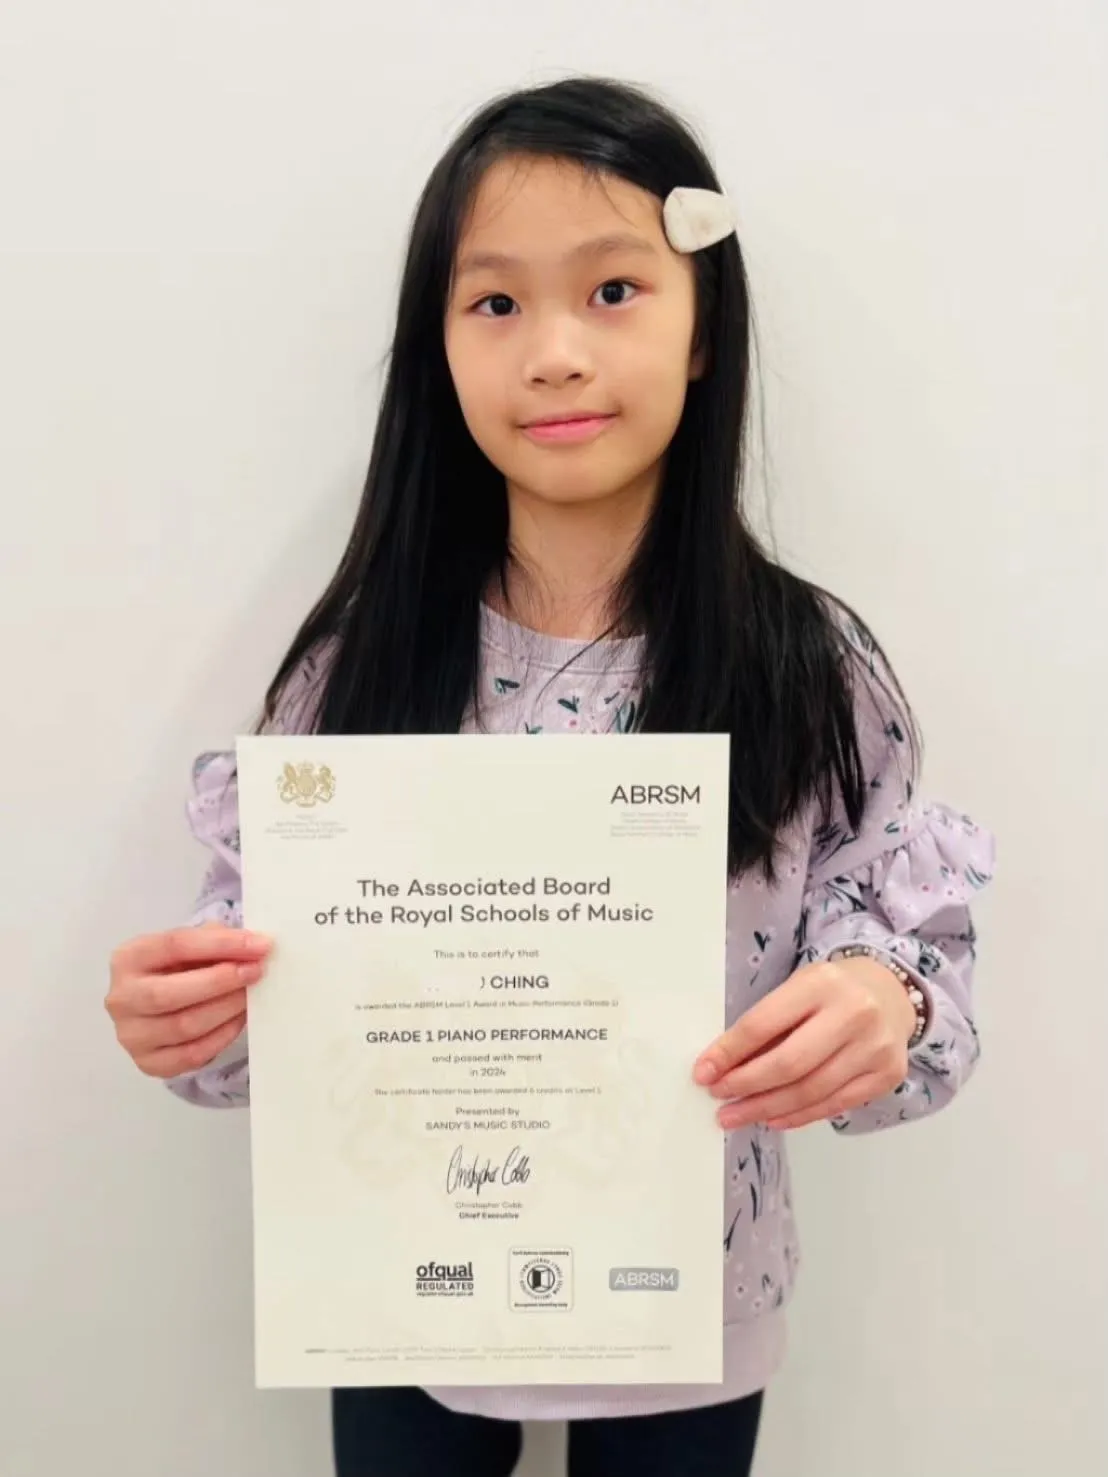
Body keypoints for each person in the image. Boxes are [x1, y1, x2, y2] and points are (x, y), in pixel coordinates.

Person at [104, 75, 995, 1477]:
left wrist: (887, 999)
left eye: (615, 290)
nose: (557, 354)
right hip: (401, 1289)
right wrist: (198, 1016)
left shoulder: (803, 664)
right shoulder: (357, 668)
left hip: (690, 1297)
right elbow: (276, 981)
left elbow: (901, 944)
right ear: (438, 346)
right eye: (497, 302)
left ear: (705, 330)